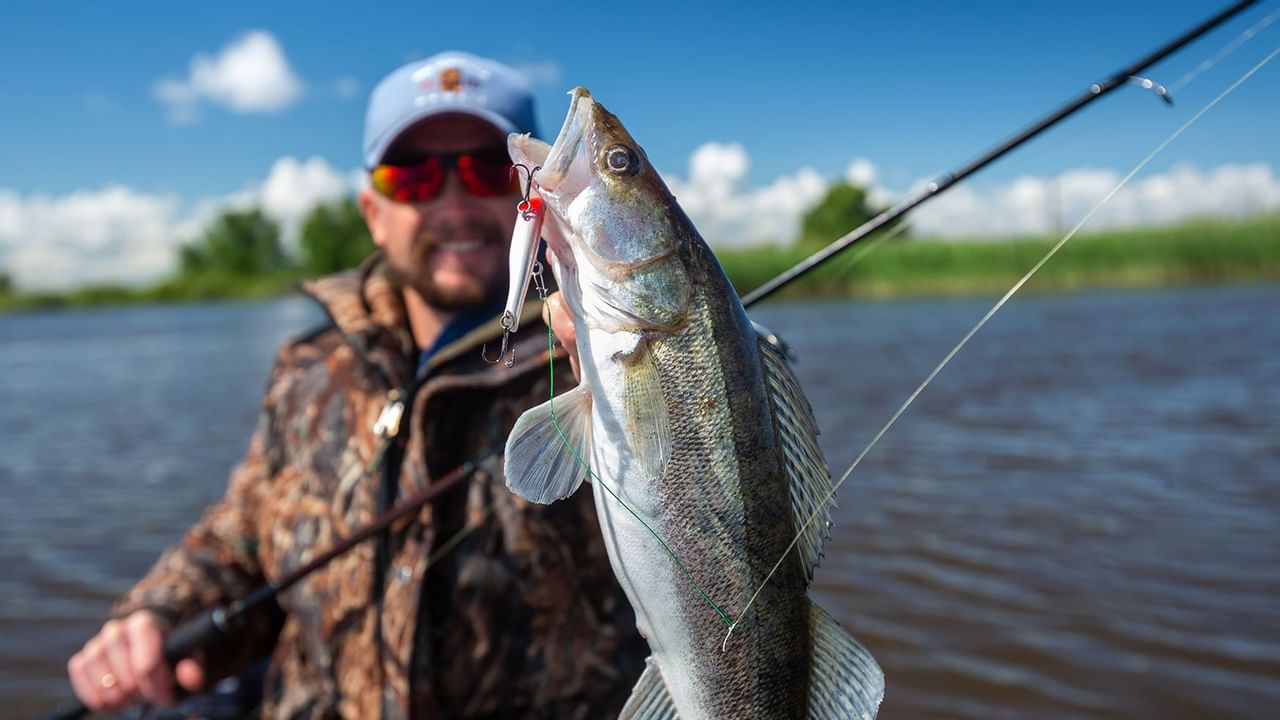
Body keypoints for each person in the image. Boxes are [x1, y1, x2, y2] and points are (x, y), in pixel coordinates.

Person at [67, 50, 647, 719]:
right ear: (373, 212)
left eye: (489, 169)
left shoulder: (602, 350)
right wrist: (158, 612)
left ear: (539, 194)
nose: (455, 205)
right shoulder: (308, 366)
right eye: (417, 176)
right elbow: (242, 537)